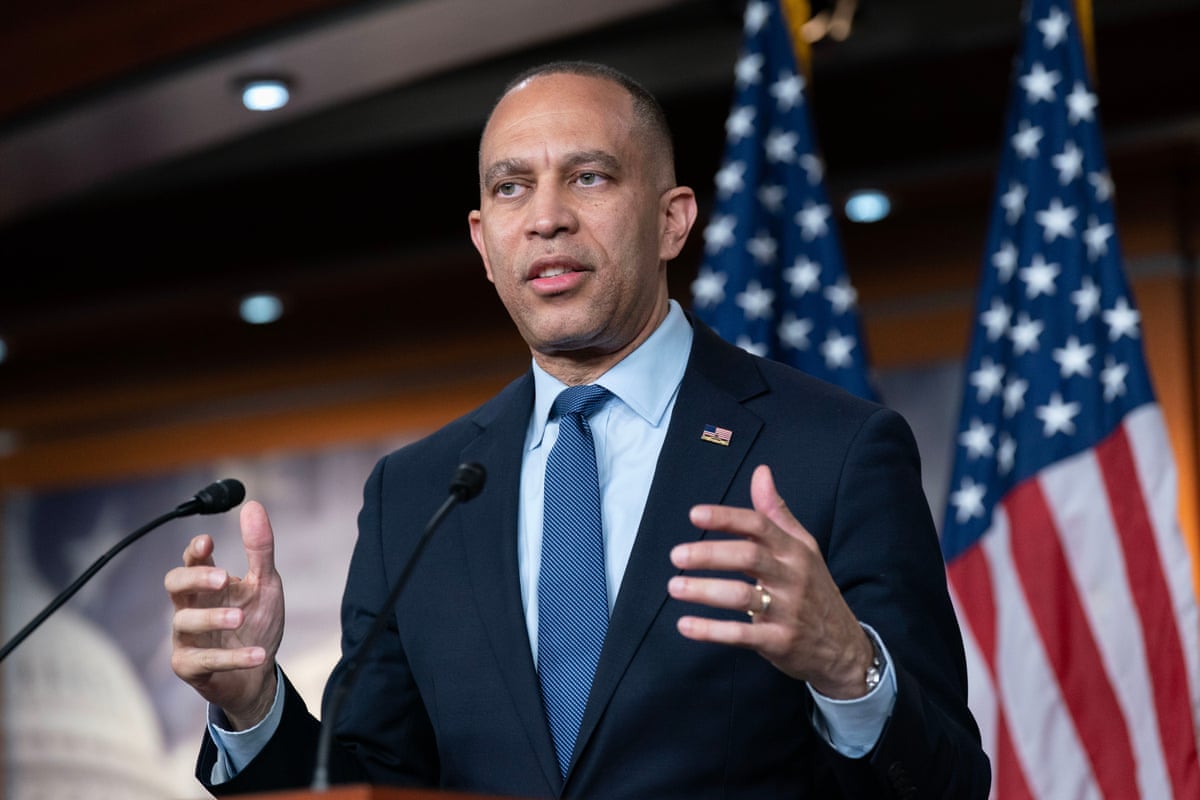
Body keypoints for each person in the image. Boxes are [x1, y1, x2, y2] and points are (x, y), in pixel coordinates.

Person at [166, 60, 990, 798]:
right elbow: (373, 781)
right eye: (511, 187)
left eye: (590, 177)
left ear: (673, 220)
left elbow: (949, 781)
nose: (546, 218)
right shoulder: (416, 492)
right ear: (485, 245)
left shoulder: (835, 452)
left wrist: (848, 669)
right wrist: (254, 704)